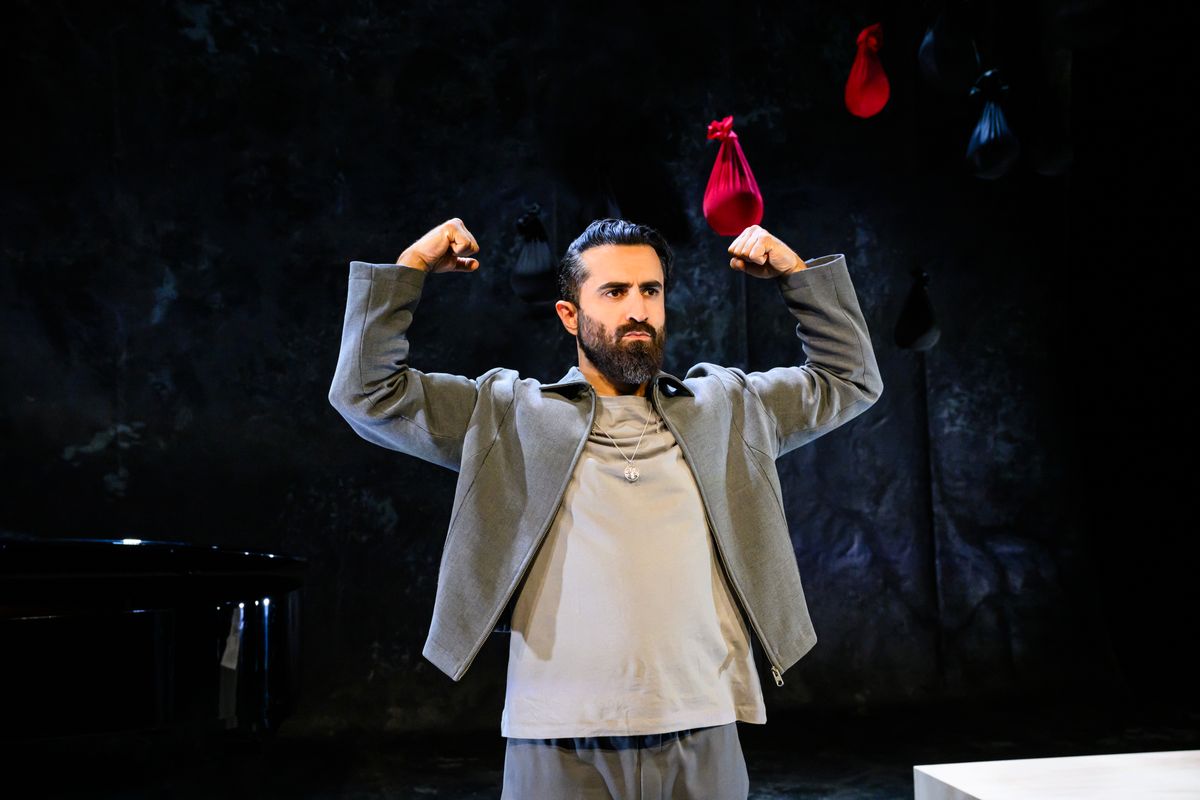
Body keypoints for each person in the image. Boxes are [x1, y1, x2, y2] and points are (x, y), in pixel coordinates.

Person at [328, 217, 883, 799]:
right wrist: (412, 266)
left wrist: (796, 274)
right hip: (556, 735)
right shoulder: (509, 415)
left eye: (650, 290)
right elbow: (367, 393)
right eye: (614, 292)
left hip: (702, 724)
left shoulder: (726, 408)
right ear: (570, 314)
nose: (638, 309)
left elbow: (849, 379)